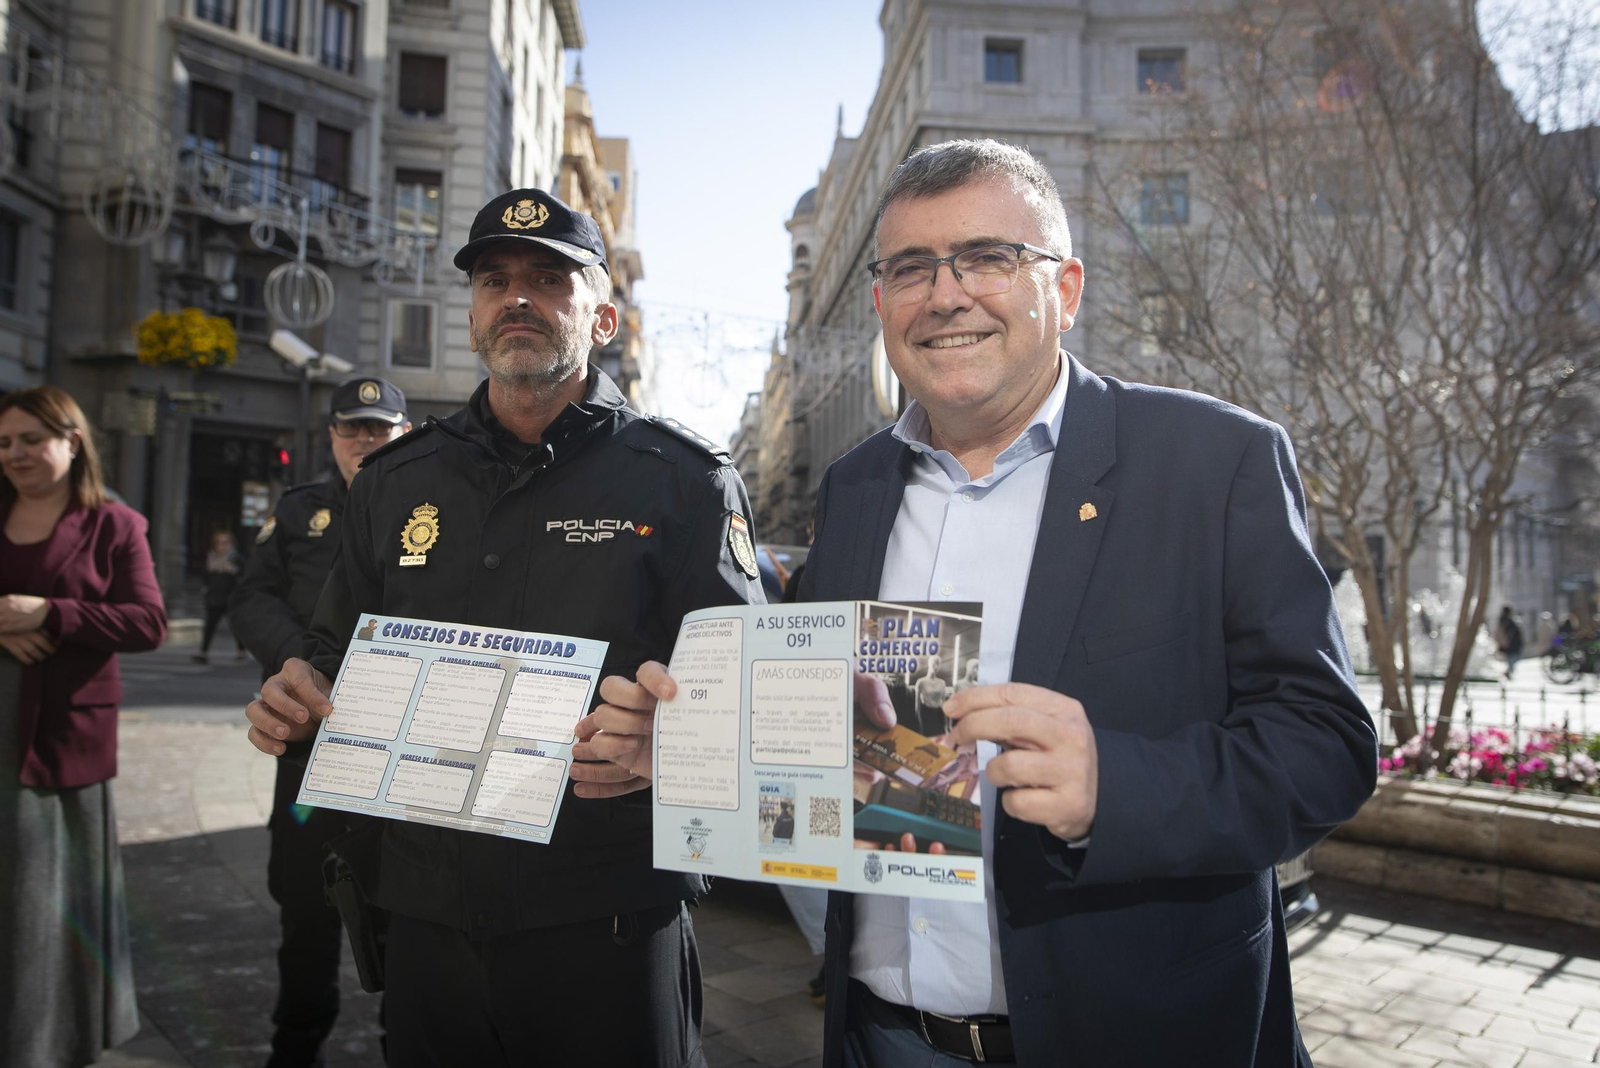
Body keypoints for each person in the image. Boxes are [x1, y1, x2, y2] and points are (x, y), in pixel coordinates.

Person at [577, 140, 1377, 1067]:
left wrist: (1117, 787)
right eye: (911, 268)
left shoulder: (1213, 461)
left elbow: (1327, 747)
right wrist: (692, 751)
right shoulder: (855, 487)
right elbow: (851, 740)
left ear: (1065, 290)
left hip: (1133, 1035)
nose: (945, 295)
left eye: (988, 257)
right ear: (881, 302)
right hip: (880, 1035)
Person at [243, 187, 763, 1068]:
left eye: (550, 279)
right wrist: (297, 697)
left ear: (603, 318)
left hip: (604, 917)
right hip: (426, 916)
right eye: (494, 279)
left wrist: (669, 740)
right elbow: (333, 652)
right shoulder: (396, 482)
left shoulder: (684, 481)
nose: (518, 296)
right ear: (474, 317)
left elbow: (743, 692)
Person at [228, 377, 410, 1068]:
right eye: (352, 428)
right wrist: (300, 662)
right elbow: (252, 597)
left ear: (404, 433)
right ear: (331, 435)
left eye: (379, 428)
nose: (364, 440)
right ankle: (297, 1045)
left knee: (403, 910)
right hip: (309, 744)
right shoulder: (299, 509)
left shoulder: (428, 508)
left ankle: (405, 1043)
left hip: (394, 747)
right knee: (305, 904)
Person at [0, 386, 167, 1067]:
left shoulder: (114, 525)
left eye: (31, 439)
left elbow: (148, 623)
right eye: (4, 442)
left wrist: (51, 614)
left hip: (59, 742)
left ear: (72, 441)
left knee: (42, 904)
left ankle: (42, 1043)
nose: (15, 454)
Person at [195, 530, 245, 664]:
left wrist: (232, 570)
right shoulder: (211, 557)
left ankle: (241, 651)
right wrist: (205, 588)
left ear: (231, 543)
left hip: (231, 597)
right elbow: (205, 576)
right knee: (210, 626)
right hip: (214, 597)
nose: (221, 545)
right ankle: (203, 652)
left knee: (236, 626)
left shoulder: (235, 558)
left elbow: (244, 575)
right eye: (219, 542)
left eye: (225, 542)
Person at [1495, 605, 1524, 680]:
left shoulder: (1503, 620)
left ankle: (1509, 671)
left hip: (1509, 643)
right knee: (1513, 657)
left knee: (1511, 658)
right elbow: (1510, 632)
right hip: (1511, 643)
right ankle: (1509, 671)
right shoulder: (1507, 621)